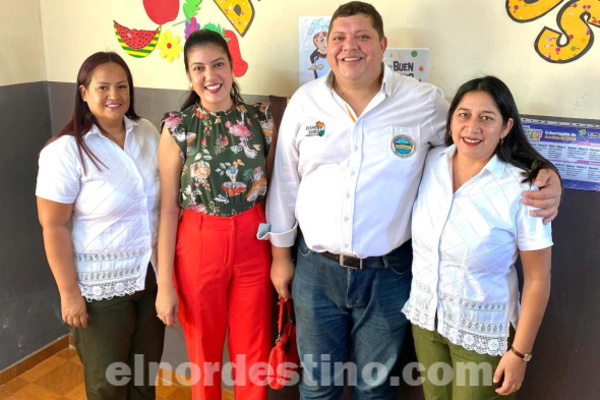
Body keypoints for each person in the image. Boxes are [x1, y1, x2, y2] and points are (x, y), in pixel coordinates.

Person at [262, 2, 562, 399]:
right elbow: (285, 182)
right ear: (326, 45)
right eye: (339, 37)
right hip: (316, 271)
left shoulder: (423, 101)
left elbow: (474, 139)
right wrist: (281, 258)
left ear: (383, 44)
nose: (350, 46)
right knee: (318, 386)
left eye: (363, 36)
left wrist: (545, 171)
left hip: (389, 274)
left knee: (377, 387)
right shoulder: (304, 102)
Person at [403, 76, 555, 399]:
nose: (472, 127)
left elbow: (538, 279)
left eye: (486, 118)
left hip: (483, 333)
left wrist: (519, 354)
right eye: (464, 115)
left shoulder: (524, 188)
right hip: (426, 323)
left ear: (505, 127)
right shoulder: (431, 163)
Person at [36, 52, 164, 399]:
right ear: (83, 92)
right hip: (99, 292)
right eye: (103, 87)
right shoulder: (64, 152)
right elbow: (54, 227)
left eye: (122, 86)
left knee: (142, 379)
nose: (114, 95)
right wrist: (69, 294)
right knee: (108, 386)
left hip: (148, 280)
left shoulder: (148, 133)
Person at [155, 29, 274, 400]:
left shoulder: (261, 120)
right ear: (190, 76)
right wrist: (163, 286)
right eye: (199, 68)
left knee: (252, 349)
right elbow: (169, 207)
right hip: (198, 241)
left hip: (254, 239)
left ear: (232, 66)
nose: (211, 76)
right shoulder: (177, 128)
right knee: (203, 351)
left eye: (218, 64)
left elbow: (275, 189)